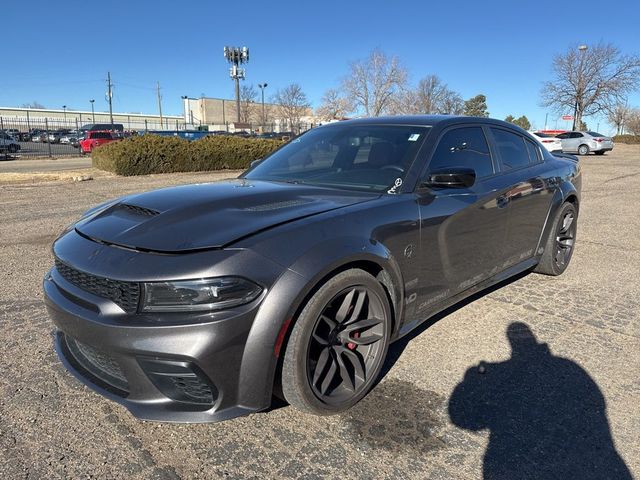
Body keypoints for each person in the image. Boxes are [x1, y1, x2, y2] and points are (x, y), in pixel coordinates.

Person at [448, 322, 631, 479]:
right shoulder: (568, 366)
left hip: (518, 460)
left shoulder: (560, 369)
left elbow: (465, 419)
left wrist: (473, 378)